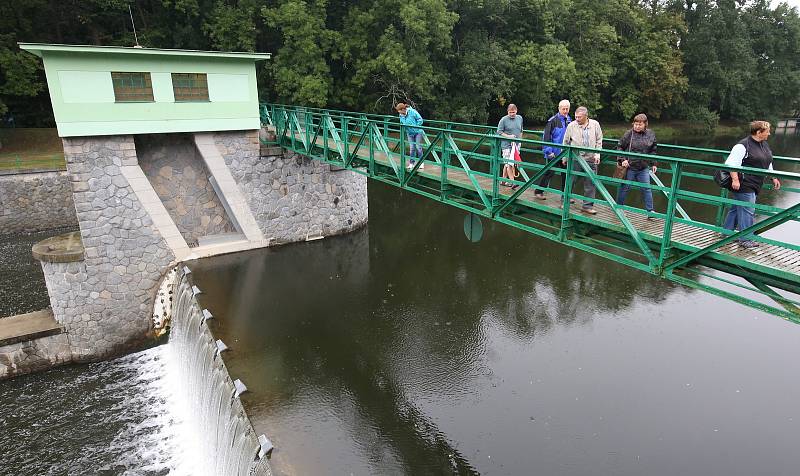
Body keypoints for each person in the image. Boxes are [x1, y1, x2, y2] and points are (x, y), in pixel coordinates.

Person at [722, 120, 781, 248]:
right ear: (759, 132)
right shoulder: (743, 145)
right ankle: (746, 240)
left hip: (756, 183)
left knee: (737, 208)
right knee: (748, 209)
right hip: (744, 183)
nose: (769, 134)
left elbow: (768, 161)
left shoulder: (764, 145)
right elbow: (731, 163)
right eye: (767, 131)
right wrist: (735, 179)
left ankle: (727, 233)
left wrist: (773, 177)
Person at [562, 106, 603, 214]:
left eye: (579, 117)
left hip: (590, 158)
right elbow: (565, 142)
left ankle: (587, 206)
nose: (577, 119)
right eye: (576, 117)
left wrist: (597, 154)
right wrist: (565, 157)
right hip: (576, 158)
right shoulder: (571, 126)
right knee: (571, 180)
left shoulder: (595, 124)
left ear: (586, 116)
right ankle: (565, 202)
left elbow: (599, 140)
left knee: (590, 183)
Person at [616, 113, 658, 218]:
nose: (637, 126)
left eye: (640, 124)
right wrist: (622, 159)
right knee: (625, 187)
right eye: (635, 124)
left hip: (643, 167)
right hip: (629, 166)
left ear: (645, 125)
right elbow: (620, 147)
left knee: (646, 188)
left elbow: (653, 150)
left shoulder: (651, 134)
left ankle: (650, 211)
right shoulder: (629, 134)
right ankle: (619, 208)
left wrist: (654, 163)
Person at [534, 99, 571, 200]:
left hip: (565, 153)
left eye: (567, 108)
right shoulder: (552, 121)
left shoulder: (569, 120)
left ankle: (565, 196)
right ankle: (538, 191)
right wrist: (548, 151)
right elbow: (546, 137)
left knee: (566, 174)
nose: (565, 111)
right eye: (563, 109)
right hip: (554, 153)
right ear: (559, 109)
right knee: (549, 172)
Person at [496, 103, 523, 189]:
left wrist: (520, 141)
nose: (512, 114)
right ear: (507, 112)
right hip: (506, 144)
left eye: (513, 112)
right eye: (510, 112)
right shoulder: (503, 120)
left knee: (508, 163)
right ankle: (512, 181)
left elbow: (521, 130)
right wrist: (509, 137)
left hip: (516, 145)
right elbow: (499, 132)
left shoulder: (520, 118)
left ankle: (503, 180)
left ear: (516, 111)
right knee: (509, 163)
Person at [396, 102, 425, 170]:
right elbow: (401, 122)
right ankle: (411, 163)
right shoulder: (401, 115)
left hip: (417, 132)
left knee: (418, 147)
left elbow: (420, 119)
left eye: (399, 111)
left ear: (403, 109)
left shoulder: (412, 112)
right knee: (412, 148)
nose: (399, 112)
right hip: (409, 133)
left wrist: (415, 126)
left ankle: (421, 163)